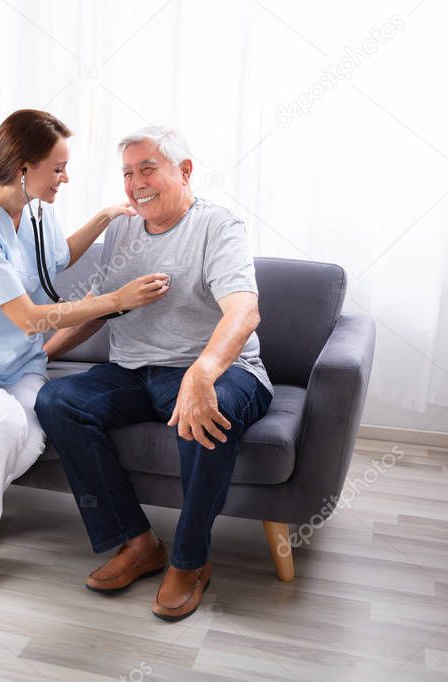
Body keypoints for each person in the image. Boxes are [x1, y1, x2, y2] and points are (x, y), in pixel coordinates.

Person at [0, 110, 171, 594]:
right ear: (23, 167)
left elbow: (56, 259)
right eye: (57, 168)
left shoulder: (35, 211)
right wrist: (116, 300)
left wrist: (104, 217)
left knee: (32, 440)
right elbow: (30, 317)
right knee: (3, 423)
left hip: (19, 364)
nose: (65, 177)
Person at [36, 126, 273, 621]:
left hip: (223, 372)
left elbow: (243, 312)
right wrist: (38, 357)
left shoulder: (218, 226)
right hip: (135, 372)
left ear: (183, 171)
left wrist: (203, 373)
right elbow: (101, 311)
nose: (136, 183)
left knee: (209, 411)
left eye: (148, 169)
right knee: (57, 401)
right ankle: (138, 542)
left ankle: (190, 561)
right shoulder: (123, 228)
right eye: (127, 173)